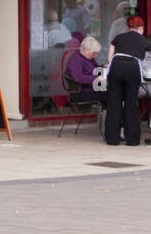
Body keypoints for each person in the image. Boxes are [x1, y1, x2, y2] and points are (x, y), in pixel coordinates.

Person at [106, 15, 150, 147]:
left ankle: (112, 139)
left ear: (128, 28)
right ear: (141, 28)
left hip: (116, 65)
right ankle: (132, 139)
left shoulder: (118, 38)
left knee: (114, 102)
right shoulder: (144, 41)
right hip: (132, 68)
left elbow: (110, 58)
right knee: (131, 103)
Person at [62, 36, 106, 105]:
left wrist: (103, 66)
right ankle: (109, 115)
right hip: (82, 92)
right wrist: (97, 78)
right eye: (94, 53)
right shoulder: (76, 60)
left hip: (92, 88)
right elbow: (79, 77)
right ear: (86, 51)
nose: (96, 55)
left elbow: (94, 69)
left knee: (113, 93)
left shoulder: (88, 57)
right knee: (110, 96)